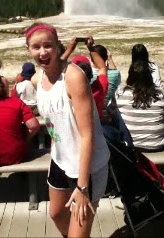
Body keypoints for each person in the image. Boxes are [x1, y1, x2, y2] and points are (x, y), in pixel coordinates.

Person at [26, 22, 110, 238]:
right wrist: (55, 155)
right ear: (29, 49)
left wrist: (82, 188)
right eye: (36, 47)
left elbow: (87, 134)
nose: (43, 52)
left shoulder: (73, 78)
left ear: (57, 46)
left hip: (86, 167)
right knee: (56, 214)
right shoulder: (38, 79)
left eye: (48, 46)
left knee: (78, 226)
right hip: (60, 160)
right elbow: (52, 124)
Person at [116, 60, 164, 152]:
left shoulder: (120, 93)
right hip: (157, 144)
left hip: (130, 143)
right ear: (149, 77)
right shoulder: (161, 95)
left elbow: (110, 114)